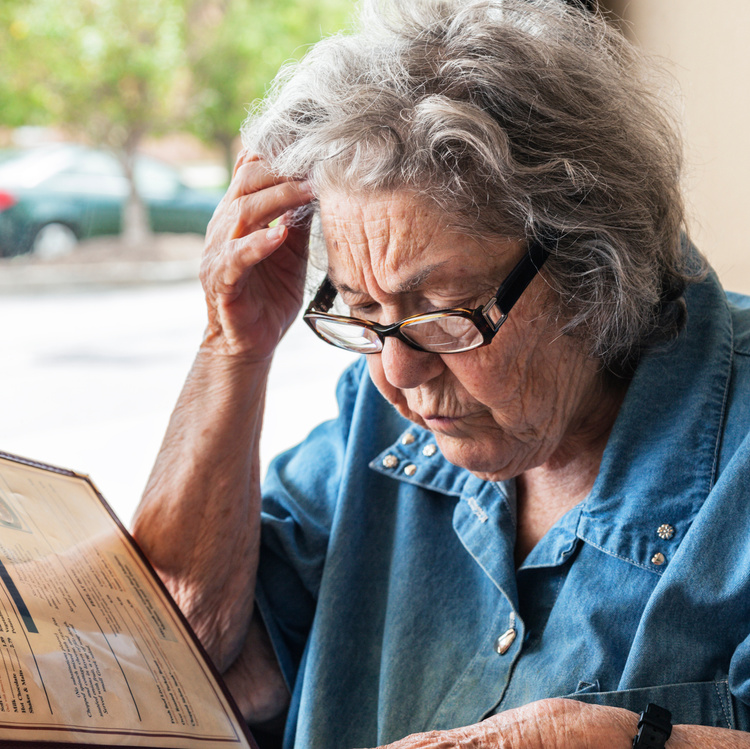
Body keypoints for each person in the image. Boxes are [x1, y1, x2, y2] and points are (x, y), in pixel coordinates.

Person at [132, 0, 750, 747]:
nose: (396, 370)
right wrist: (231, 348)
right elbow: (179, 647)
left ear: (595, 266)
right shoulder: (380, 406)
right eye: (362, 308)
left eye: (445, 311)